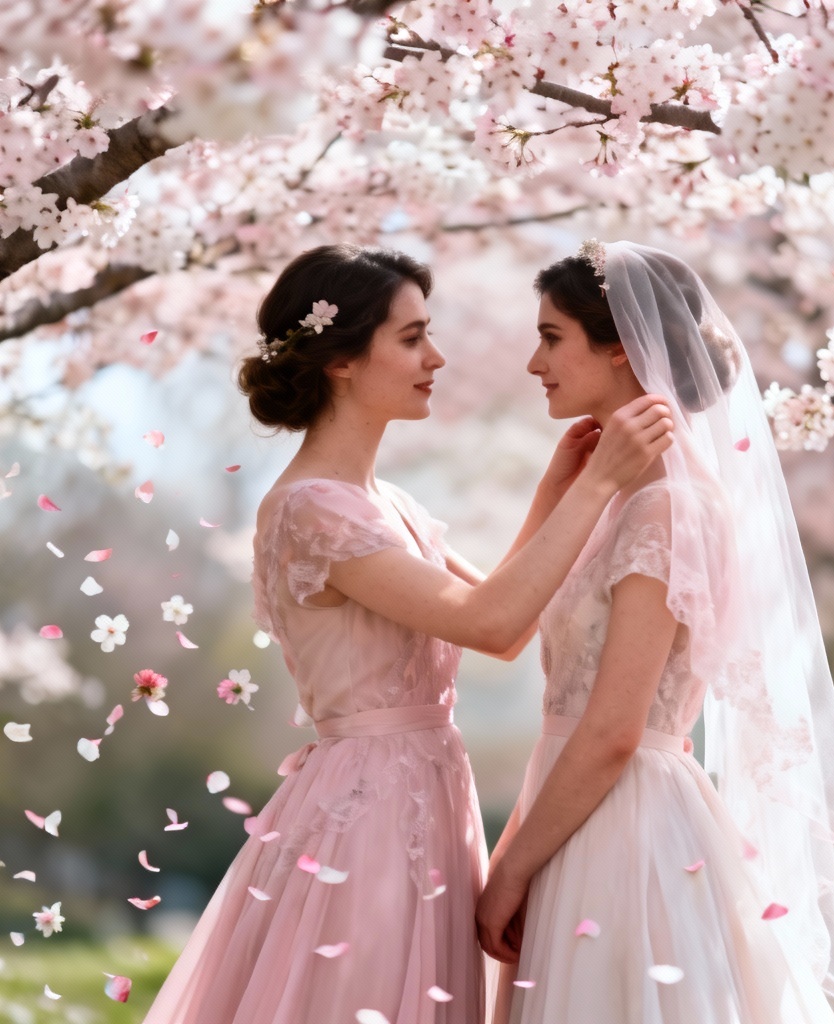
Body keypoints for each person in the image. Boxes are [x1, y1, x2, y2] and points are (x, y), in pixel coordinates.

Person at [139, 243, 672, 1024]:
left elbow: (505, 618)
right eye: (412, 337)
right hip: (369, 810)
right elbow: (488, 624)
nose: (437, 356)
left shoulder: (388, 503)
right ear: (342, 359)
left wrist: (556, 492)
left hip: (428, 796)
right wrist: (598, 485)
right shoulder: (313, 510)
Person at [478, 241, 834, 1024]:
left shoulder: (669, 505)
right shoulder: (623, 496)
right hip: (572, 806)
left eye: (551, 337)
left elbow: (615, 729)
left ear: (620, 349)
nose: (534, 362)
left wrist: (512, 869)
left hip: (621, 825)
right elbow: (509, 633)